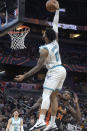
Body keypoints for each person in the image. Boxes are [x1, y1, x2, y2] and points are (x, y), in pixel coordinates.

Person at [14, 0, 66, 130]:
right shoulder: (56, 41)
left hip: (54, 71)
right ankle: (53, 123)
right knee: (54, 97)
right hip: (62, 70)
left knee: (46, 95)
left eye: (44, 33)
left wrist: (24, 76)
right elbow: (55, 24)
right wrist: (57, 10)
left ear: (46, 37)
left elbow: (38, 67)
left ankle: (41, 121)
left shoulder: (44, 49)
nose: (42, 33)